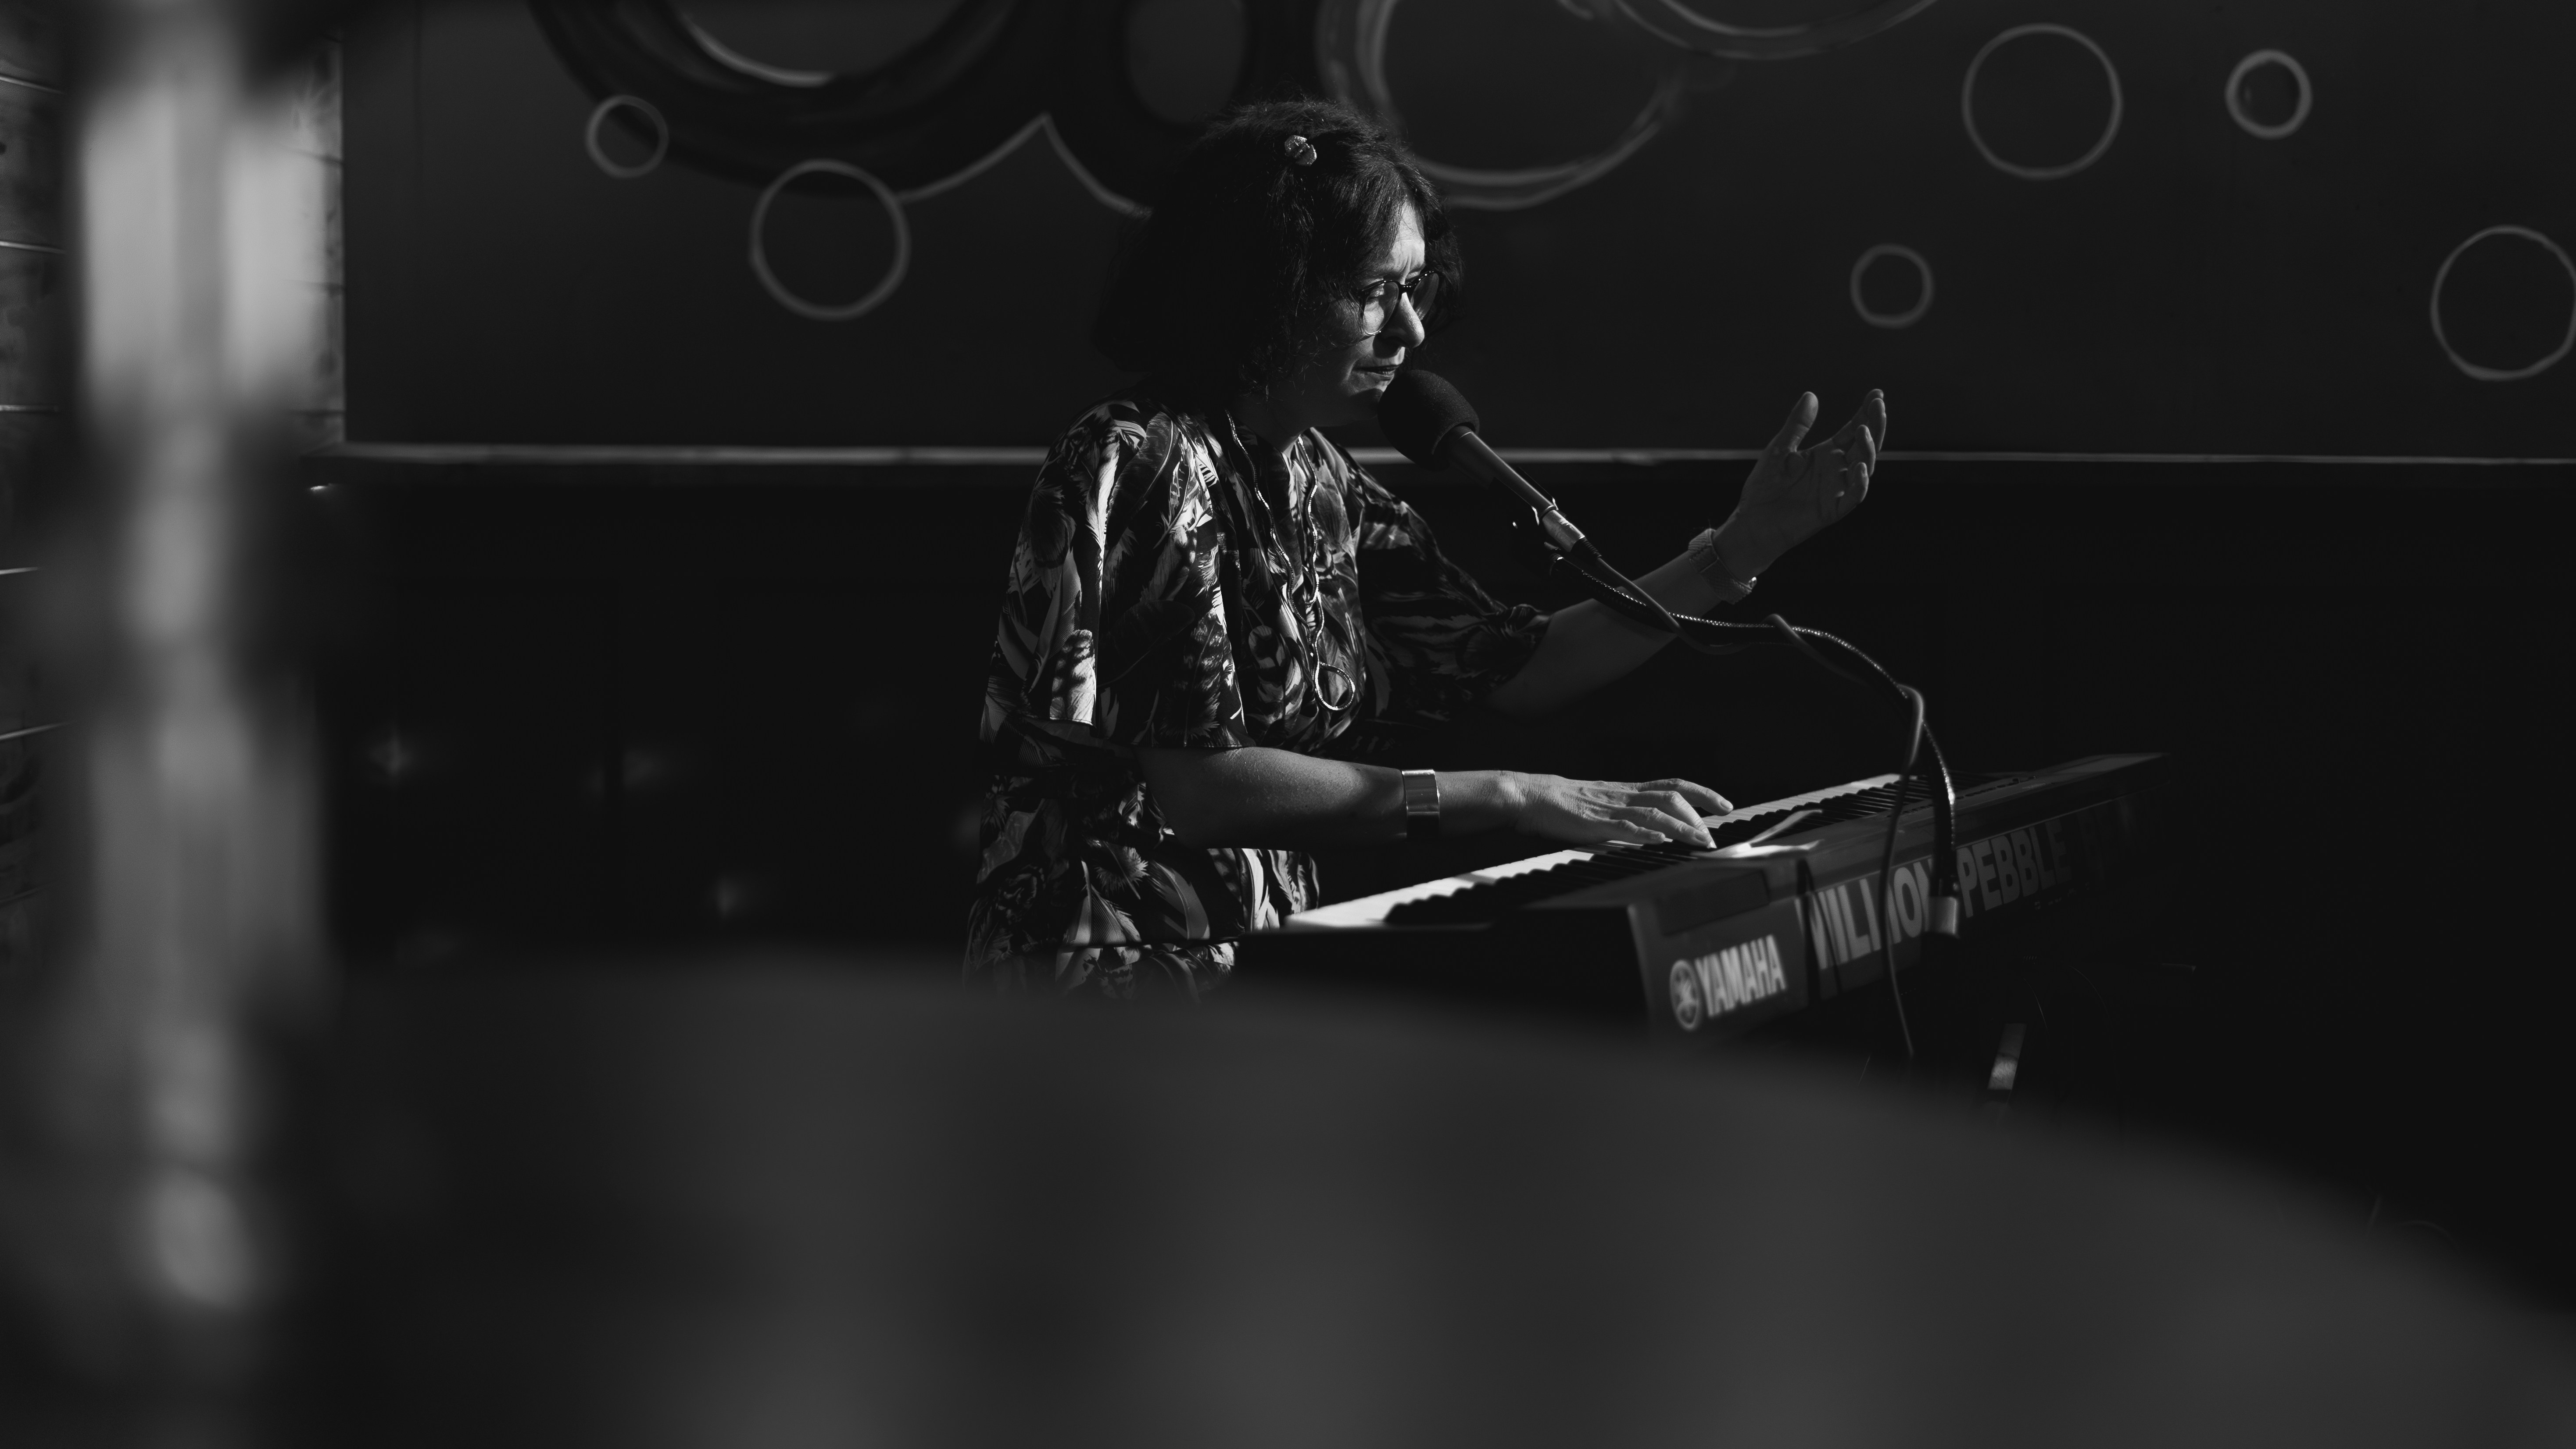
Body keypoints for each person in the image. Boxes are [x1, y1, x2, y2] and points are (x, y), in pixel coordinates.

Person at [967, 99, 1882, 999]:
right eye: (1375, 293)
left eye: (1415, 290)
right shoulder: (1145, 456)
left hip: (1248, 972)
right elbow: (1200, 788)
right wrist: (1511, 794)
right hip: (1104, 983)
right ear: (1269, 287)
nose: (1408, 330)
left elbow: (1517, 666)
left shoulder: (1318, 478)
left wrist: (1740, 546)